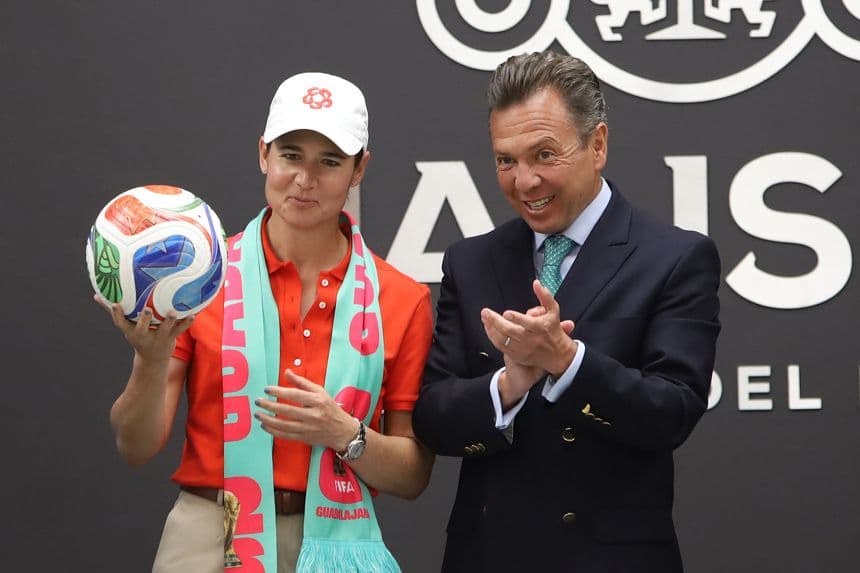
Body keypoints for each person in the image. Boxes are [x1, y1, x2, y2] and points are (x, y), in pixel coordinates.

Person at [102, 72, 434, 573]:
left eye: (330, 162)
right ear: (263, 154)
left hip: (332, 545)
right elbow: (135, 446)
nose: (305, 179)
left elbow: (411, 477)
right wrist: (148, 362)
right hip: (209, 532)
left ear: (360, 169)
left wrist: (345, 432)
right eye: (291, 155)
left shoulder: (402, 299)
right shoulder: (198, 283)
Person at [412, 51, 721, 572]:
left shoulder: (674, 257)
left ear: (597, 144)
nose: (525, 181)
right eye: (506, 160)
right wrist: (507, 385)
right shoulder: (470, 260)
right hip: (487, 556)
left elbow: (672, 412)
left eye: (545, 155)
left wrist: (567, 362)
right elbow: (432, 416)